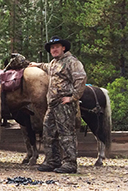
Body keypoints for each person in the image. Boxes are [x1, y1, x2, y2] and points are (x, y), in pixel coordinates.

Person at [30, 36, 87, 173]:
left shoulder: (71, 62)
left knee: (66, 133)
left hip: (64, 104)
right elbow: (45, 67)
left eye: (57, 47)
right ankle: (52, 160)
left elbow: (81, 78)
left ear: (63, 48)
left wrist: (73, 97)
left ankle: (70, 163)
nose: (54, 50)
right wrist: (34, 64)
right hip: (52, 104)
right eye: (52, 48)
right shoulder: (54, 63)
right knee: (48, 132)